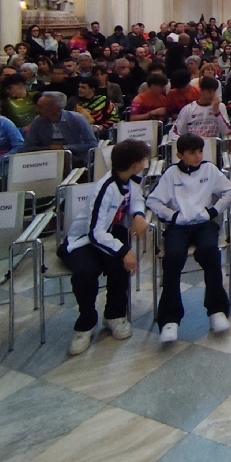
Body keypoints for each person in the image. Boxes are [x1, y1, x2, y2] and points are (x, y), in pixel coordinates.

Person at [61, 139, 150, 356]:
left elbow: (136, 199)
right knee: (85, 273)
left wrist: (138, 215)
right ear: (135, 164)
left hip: (112, 234)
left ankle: (114, 315)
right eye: (144, 160)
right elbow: (95, 232)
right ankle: (86, 322)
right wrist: (123, 251)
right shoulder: (105, 188)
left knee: (120, 269)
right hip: (85, 240)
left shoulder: (132, 180)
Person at [146, 134, 231, 343]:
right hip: (178, 226)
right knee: (173, 258)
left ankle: (216, 310)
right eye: (191, 153)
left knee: (210, 253)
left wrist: (213, 212)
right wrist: (173, 216)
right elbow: (153, 201)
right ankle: (170, 319)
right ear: (180, 155)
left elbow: (229, 191)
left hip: (204, 224)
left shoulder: (209, 169)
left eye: (199, 152)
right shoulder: (171, 174)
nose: (197, 156)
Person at [18, 92, 98, 169]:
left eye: (40, 107)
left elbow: (92, 144)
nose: (36, 110)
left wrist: (64, 147)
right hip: (48, 161)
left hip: (77, 160)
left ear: (55, 108)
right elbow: (27, 147)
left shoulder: (77, 119)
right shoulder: (38, 121)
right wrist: (47, 149)